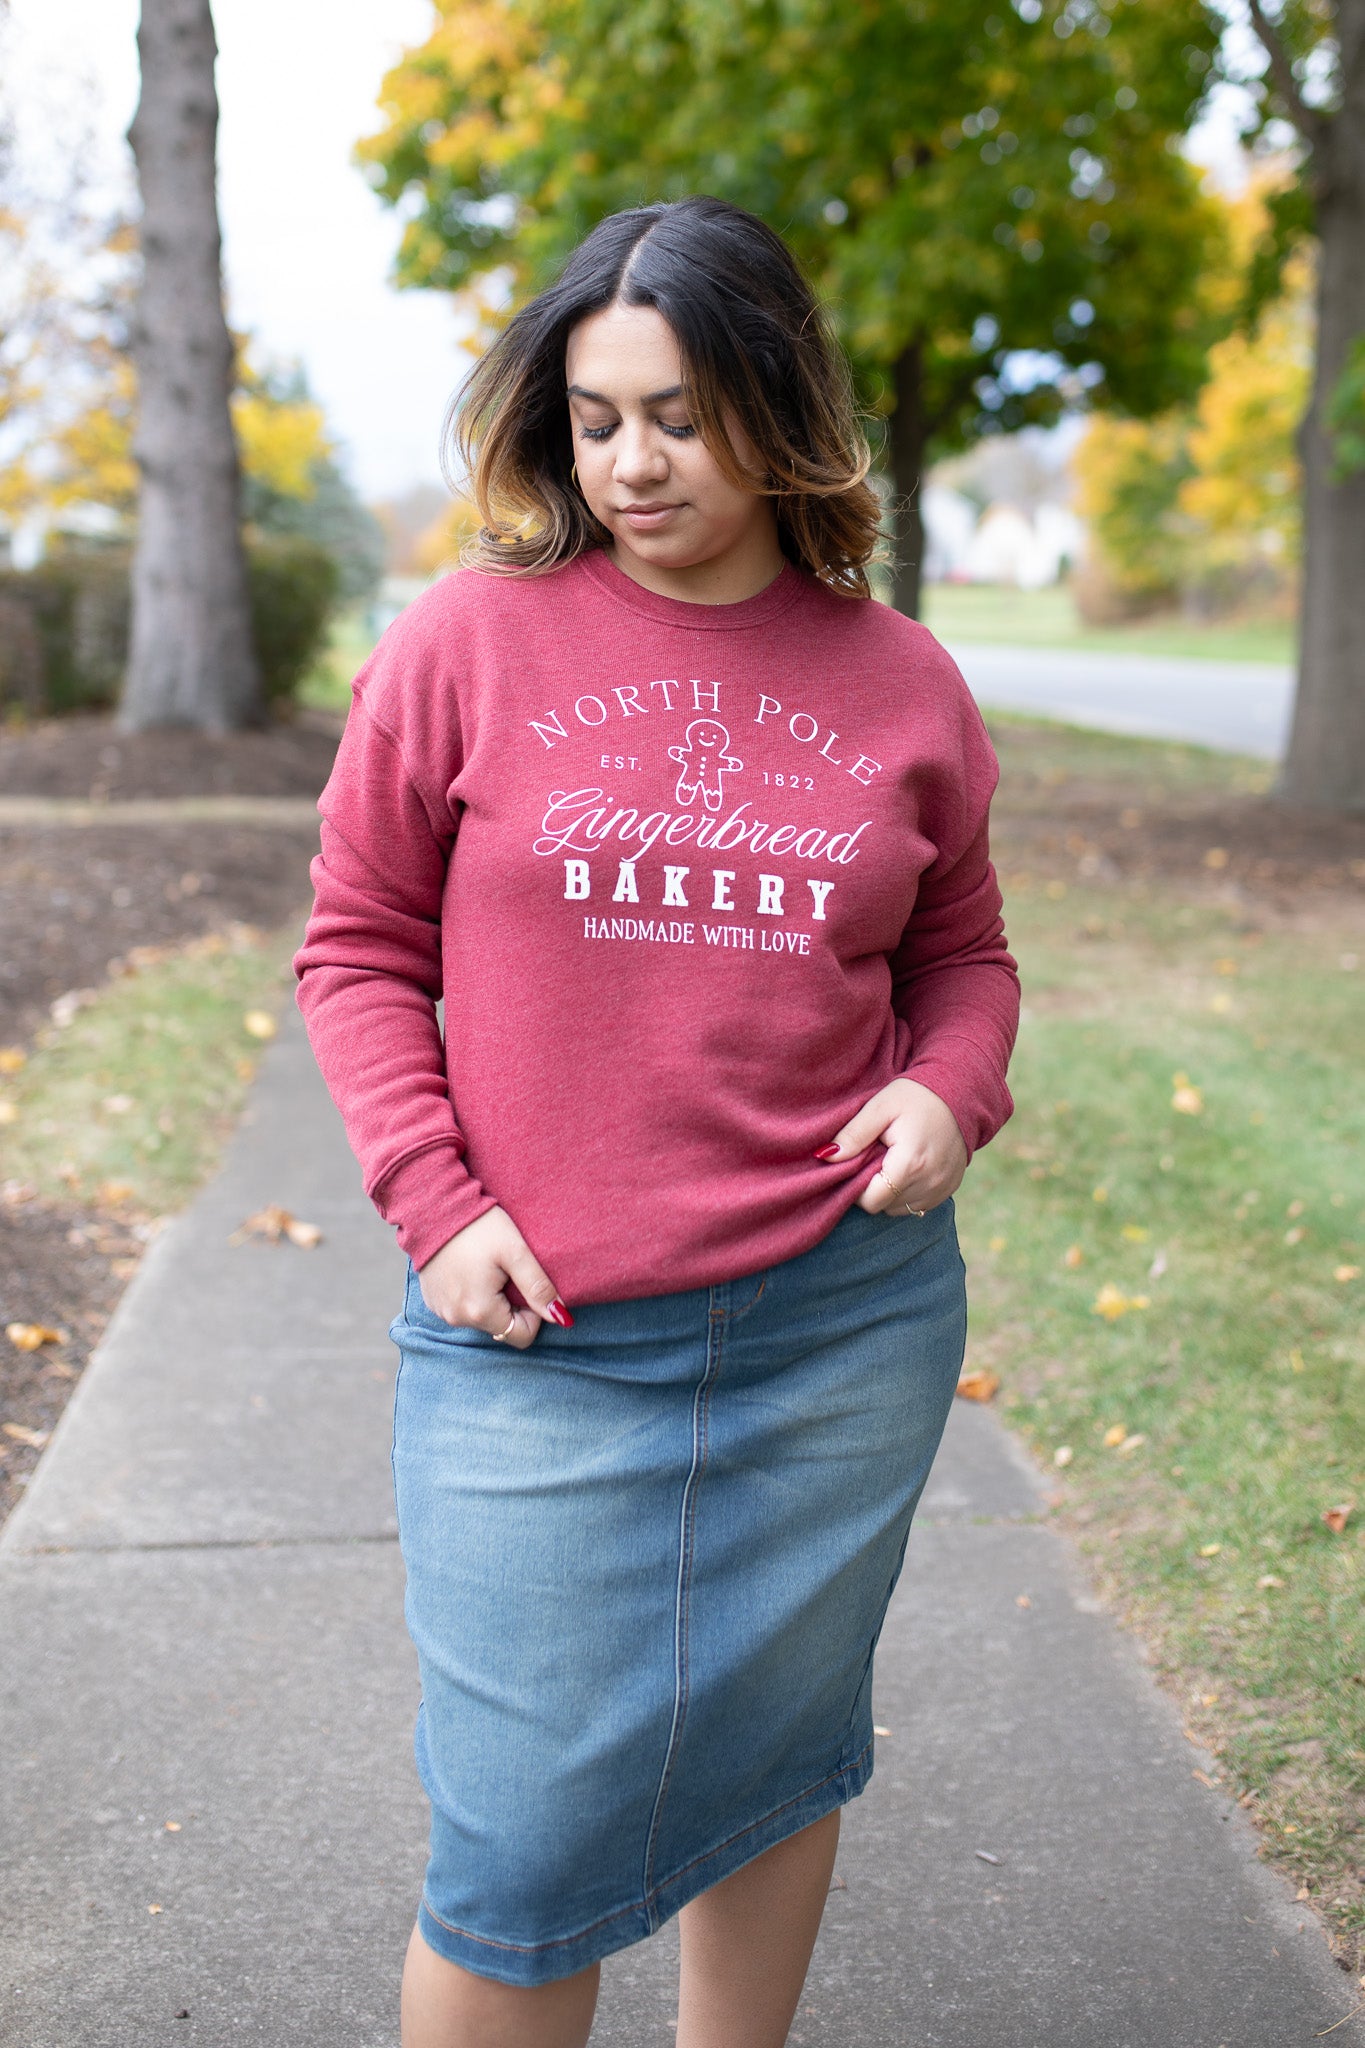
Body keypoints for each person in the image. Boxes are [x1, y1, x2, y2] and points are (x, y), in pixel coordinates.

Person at [294, 193, 1020, 2048]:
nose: (631, 462)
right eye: (598, 417)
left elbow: (964, 961)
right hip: (535, 1338)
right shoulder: (466, 643)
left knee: (774, 1759)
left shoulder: (903, 680)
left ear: (779, 408)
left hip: (835, 1325)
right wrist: (433, 1200)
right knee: (519, 1851)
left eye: (681, 415)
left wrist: (949, 1091)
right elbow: (358, 949)